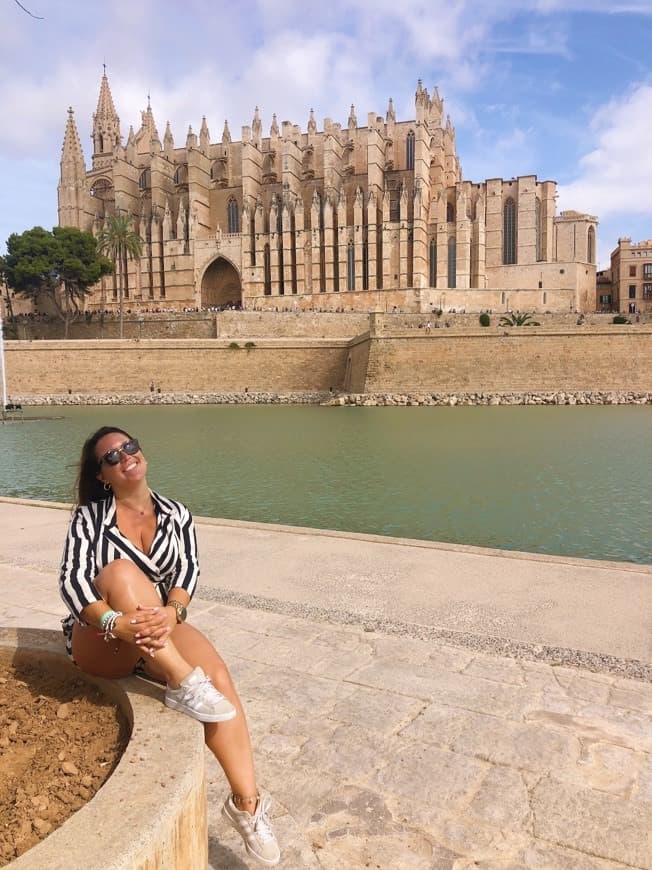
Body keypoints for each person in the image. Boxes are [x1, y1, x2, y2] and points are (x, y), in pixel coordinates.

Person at [59, 426, 280, 866]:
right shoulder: (90, 519)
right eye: (111, 456)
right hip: (99, 638)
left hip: (155, 632)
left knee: (217, 679)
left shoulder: (178, 514)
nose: (125, 456)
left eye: (130, 446)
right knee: (120, 574)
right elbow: (74, 581)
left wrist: (173, 613)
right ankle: (181, 678)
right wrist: (115, 622)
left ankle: (247, 805)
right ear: (102, 475)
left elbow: (188, 574)